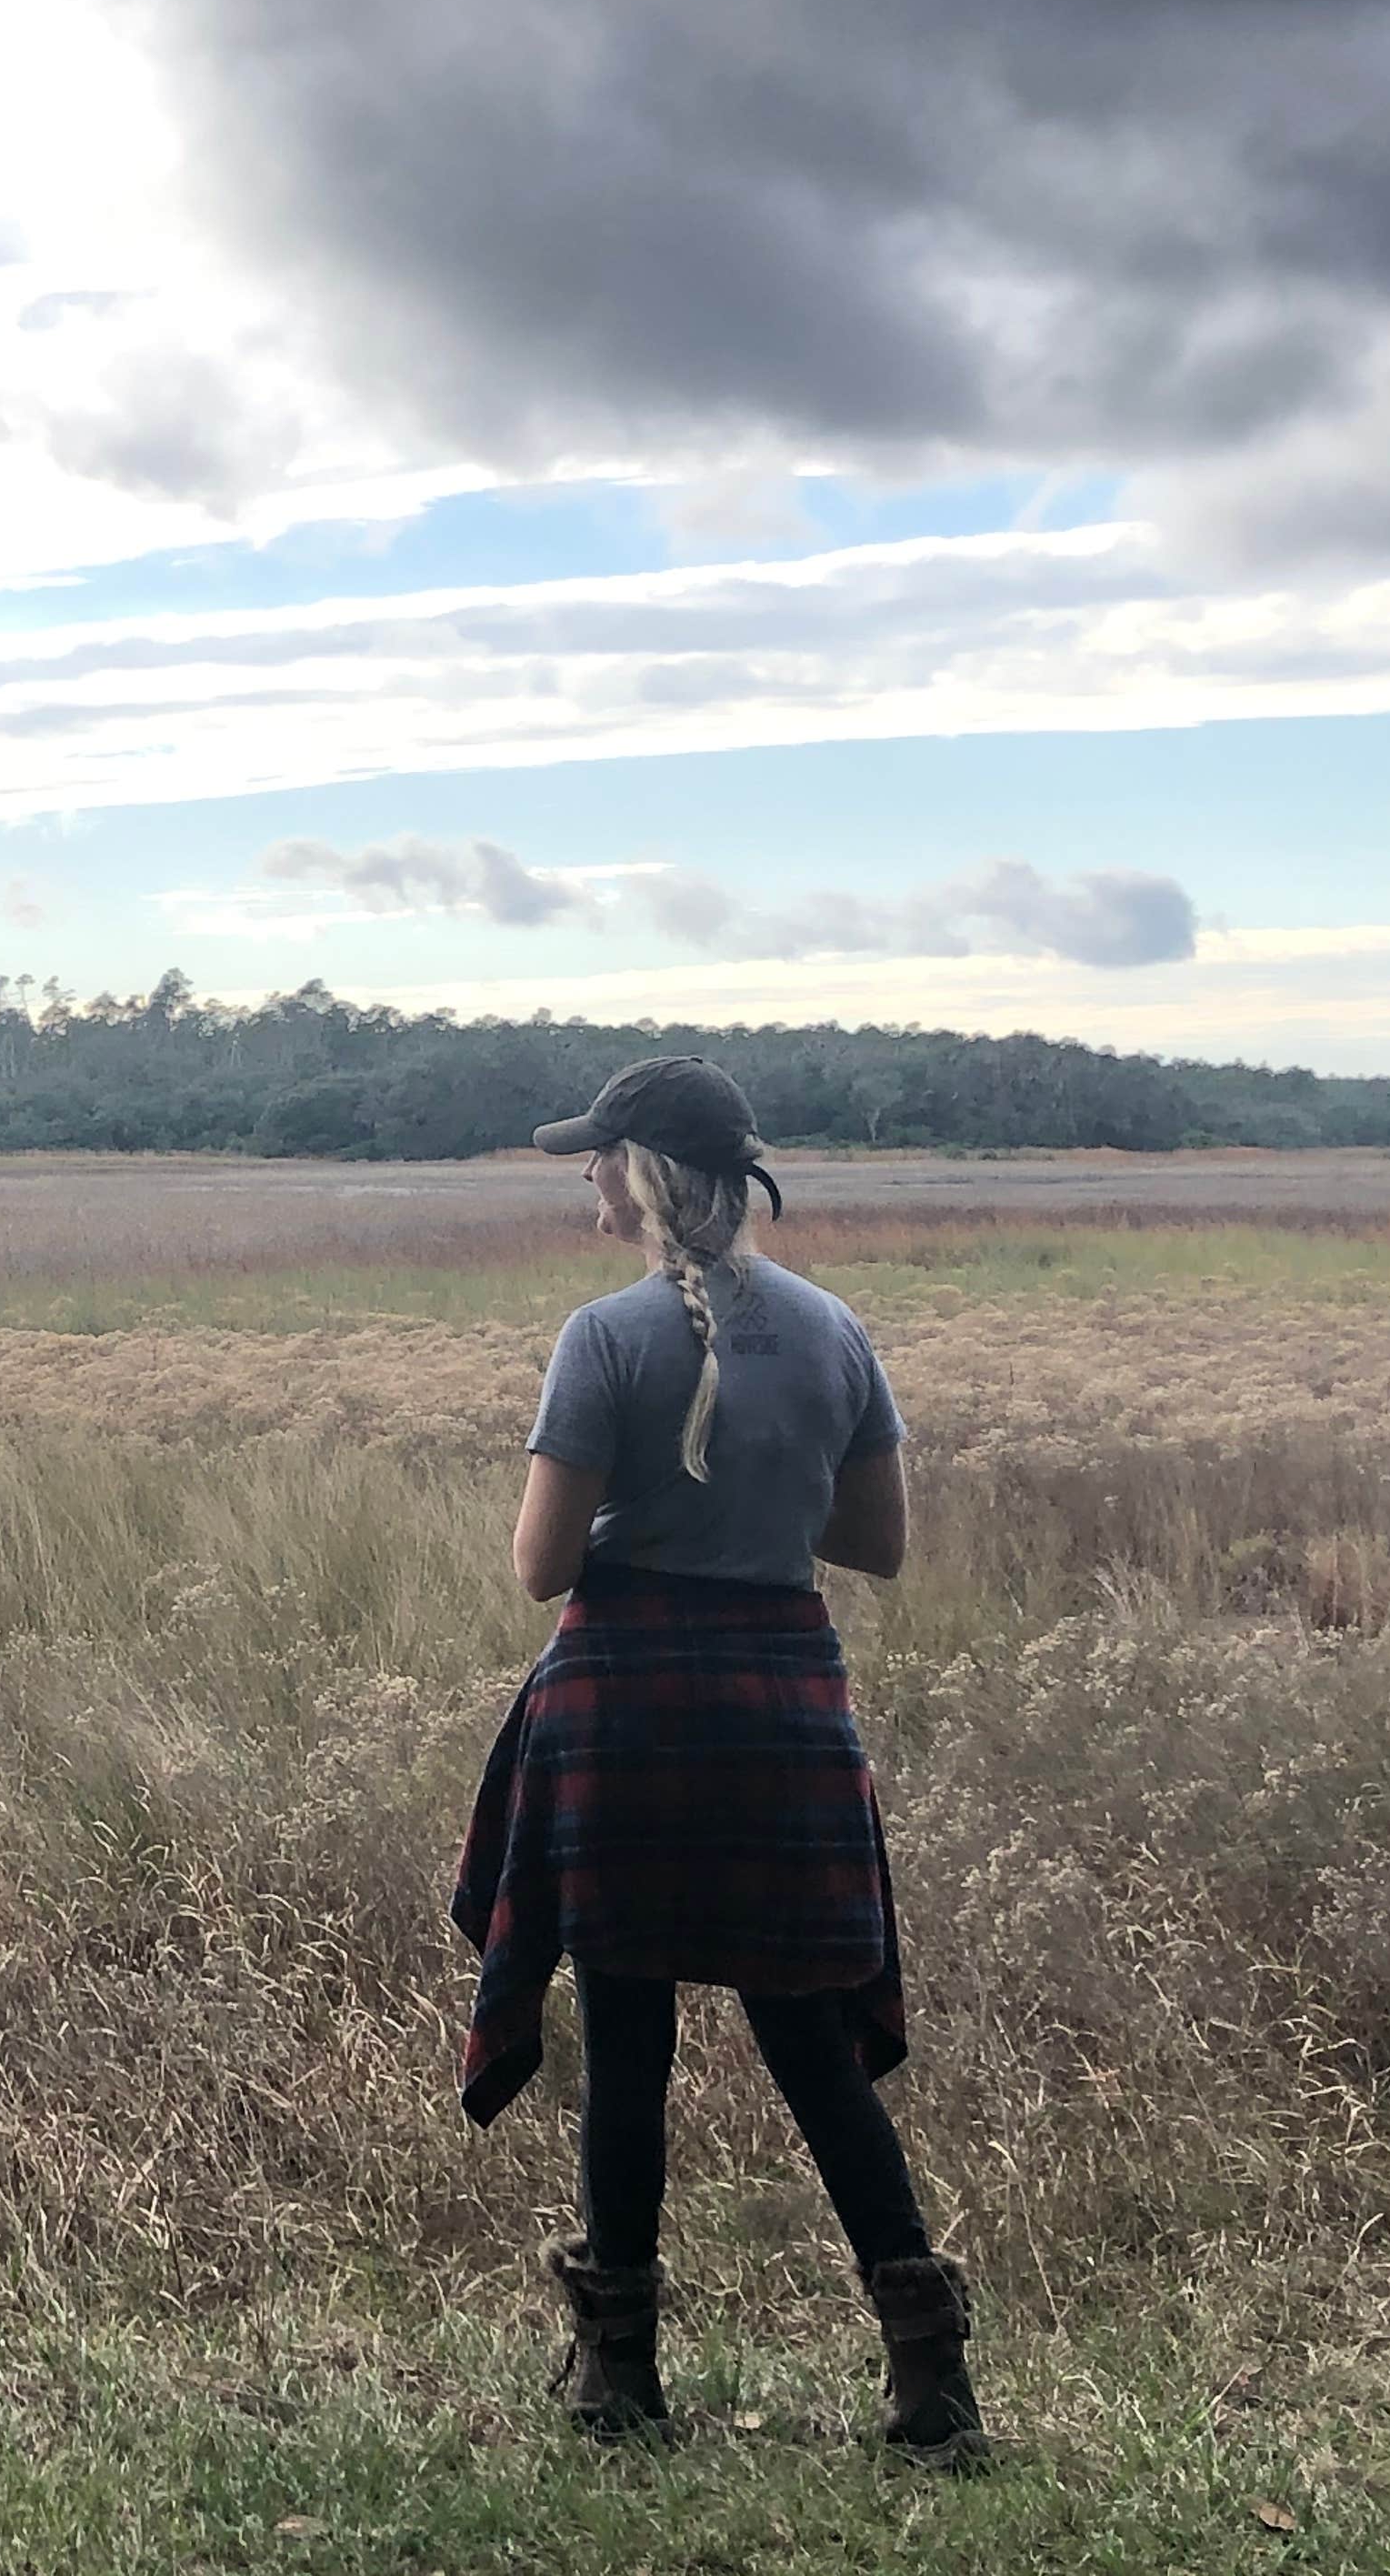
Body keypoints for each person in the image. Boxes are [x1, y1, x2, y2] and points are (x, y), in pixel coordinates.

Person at [448, 1055, 986, 2467]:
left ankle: (619, 2378)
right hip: (781, 1712)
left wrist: (660, 1513)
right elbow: (875, 1545)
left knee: (628, 2038)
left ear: (641, 1175)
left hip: (625, 1714)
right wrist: (747, 1497)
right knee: (814, 2043)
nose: (582, 1174)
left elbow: (539, 1569)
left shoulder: (602, 1337)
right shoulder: (835, 1329)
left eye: (597, 1154)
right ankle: (930, 2376)